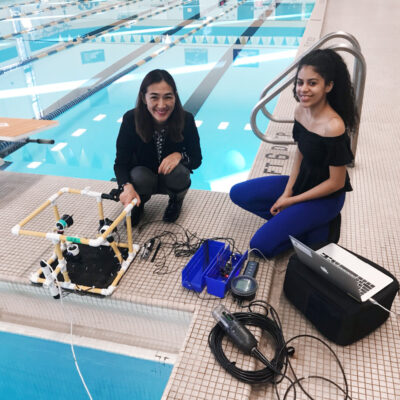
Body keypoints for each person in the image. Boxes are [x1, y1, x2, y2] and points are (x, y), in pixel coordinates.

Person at [230, 49, 358, 258]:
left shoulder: (333, 126)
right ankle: (303, 223)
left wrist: (290, 203)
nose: (303, 89)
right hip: (301, 183)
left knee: (260, 246)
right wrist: (288, 192)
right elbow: (300, 153)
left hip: (325, 198)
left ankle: (314, 224)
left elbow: (336, 183)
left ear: (329, 86)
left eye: (312, 83)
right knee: (238, 193)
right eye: (300, 82)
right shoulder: (300, 110)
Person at [114, 69, 202, 224]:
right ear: (143, 98)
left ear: (175, 96)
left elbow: (196, 159)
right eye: (154, 97)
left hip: (171, 179)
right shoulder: (131, 120)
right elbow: (120, 163)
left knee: (180, 172)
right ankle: (138, 203)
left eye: (168, 97)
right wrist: (125, 186)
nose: (162, 105)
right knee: (138, 175)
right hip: (144, 179)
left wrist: (179, 155)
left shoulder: (186, 119)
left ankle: (175, 201)